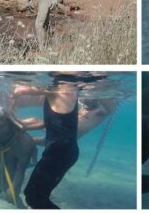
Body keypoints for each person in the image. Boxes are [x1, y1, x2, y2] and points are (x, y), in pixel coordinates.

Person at [14, 72, 112, 209]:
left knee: (35, 199)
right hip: (57, 151)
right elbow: (48, 124)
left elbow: (26, 90)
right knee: (31, 194)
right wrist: (20, 125)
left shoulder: (65, 92)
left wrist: (17, 93)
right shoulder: (59, 96)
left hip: (60, 153)